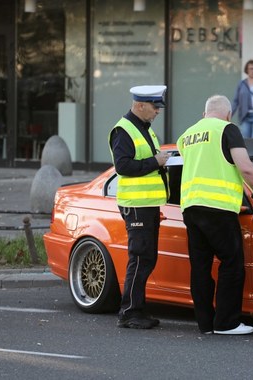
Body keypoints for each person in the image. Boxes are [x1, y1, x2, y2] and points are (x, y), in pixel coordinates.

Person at [177, 94, 253, 335]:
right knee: (232, 263)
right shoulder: (228, 129)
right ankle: (227, 323)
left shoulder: (186, 136)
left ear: (204, 113)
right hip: (218, 208)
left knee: (200, 267)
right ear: (228, 114)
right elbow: (245, 166)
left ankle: (205, 324)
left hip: (190, 207)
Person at [108, 85, 169, 329]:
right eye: (155, 107)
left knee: (146, 258)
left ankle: (137, 308)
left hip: (147, 205)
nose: (157, 112)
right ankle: (129, 312)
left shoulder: (144, 129)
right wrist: (155, 162)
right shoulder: (124, 130)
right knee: (140, 257)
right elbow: (123, 166)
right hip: (136, 206)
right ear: (140, 105)